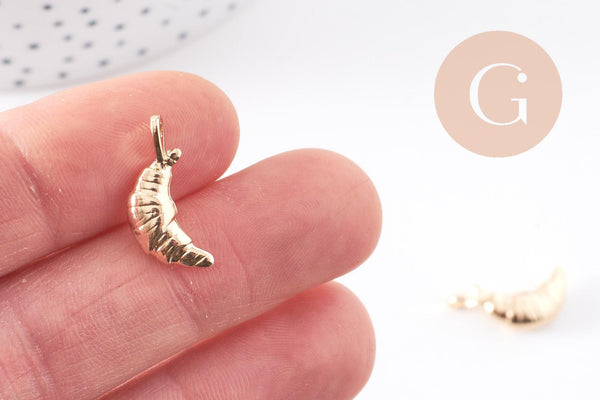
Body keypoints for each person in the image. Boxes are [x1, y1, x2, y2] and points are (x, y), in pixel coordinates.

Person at [0, 71, 382, 399]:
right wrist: (162, 168)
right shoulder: (153, 190)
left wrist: (163, 167)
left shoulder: (156, 186)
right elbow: (154, 202)